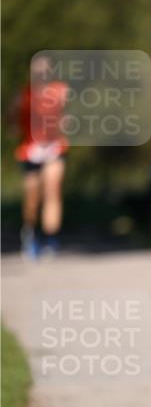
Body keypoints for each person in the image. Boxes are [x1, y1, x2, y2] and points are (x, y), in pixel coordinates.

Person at [13, 54, 69, 259]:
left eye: (45, 69)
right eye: (38, 69)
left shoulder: (61, 91)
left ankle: (51, 237)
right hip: (31, 148)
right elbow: (12, 121)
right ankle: (30, 231)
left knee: (53, 189)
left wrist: (70, 120)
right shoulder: (25, 93)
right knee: (32, 197)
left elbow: (73, 114)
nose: (42, 73)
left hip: (55, 146)